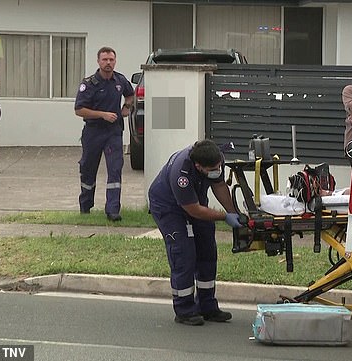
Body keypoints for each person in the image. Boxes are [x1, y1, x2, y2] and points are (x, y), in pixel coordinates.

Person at [148, 139, 243, 326]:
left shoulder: (214, 156)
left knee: (207, 250)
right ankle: (184, 309)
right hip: (170, 208)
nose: (217, 169)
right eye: (212, 168)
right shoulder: (181, 173)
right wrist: (224, 217)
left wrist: (234, 213)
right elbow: (194, 210)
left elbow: (219, 185)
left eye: (219, 166)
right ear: (198, 166)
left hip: (196, 202)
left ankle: (207, 306)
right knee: (184, 255)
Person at [74, 46, 134, 221]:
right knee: (88, 169)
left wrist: (127, 108)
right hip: (93, 132)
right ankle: (85, 206)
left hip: (113, 133)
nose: (108, 63)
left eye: (111, 60)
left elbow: (130, 95)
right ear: (98, 61)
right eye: (105, 60)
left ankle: (113, 210)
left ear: (115, 61)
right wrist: (102, 114)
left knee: (115, 169)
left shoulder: (120, 80)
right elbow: (79, 110)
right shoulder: (89, 83)